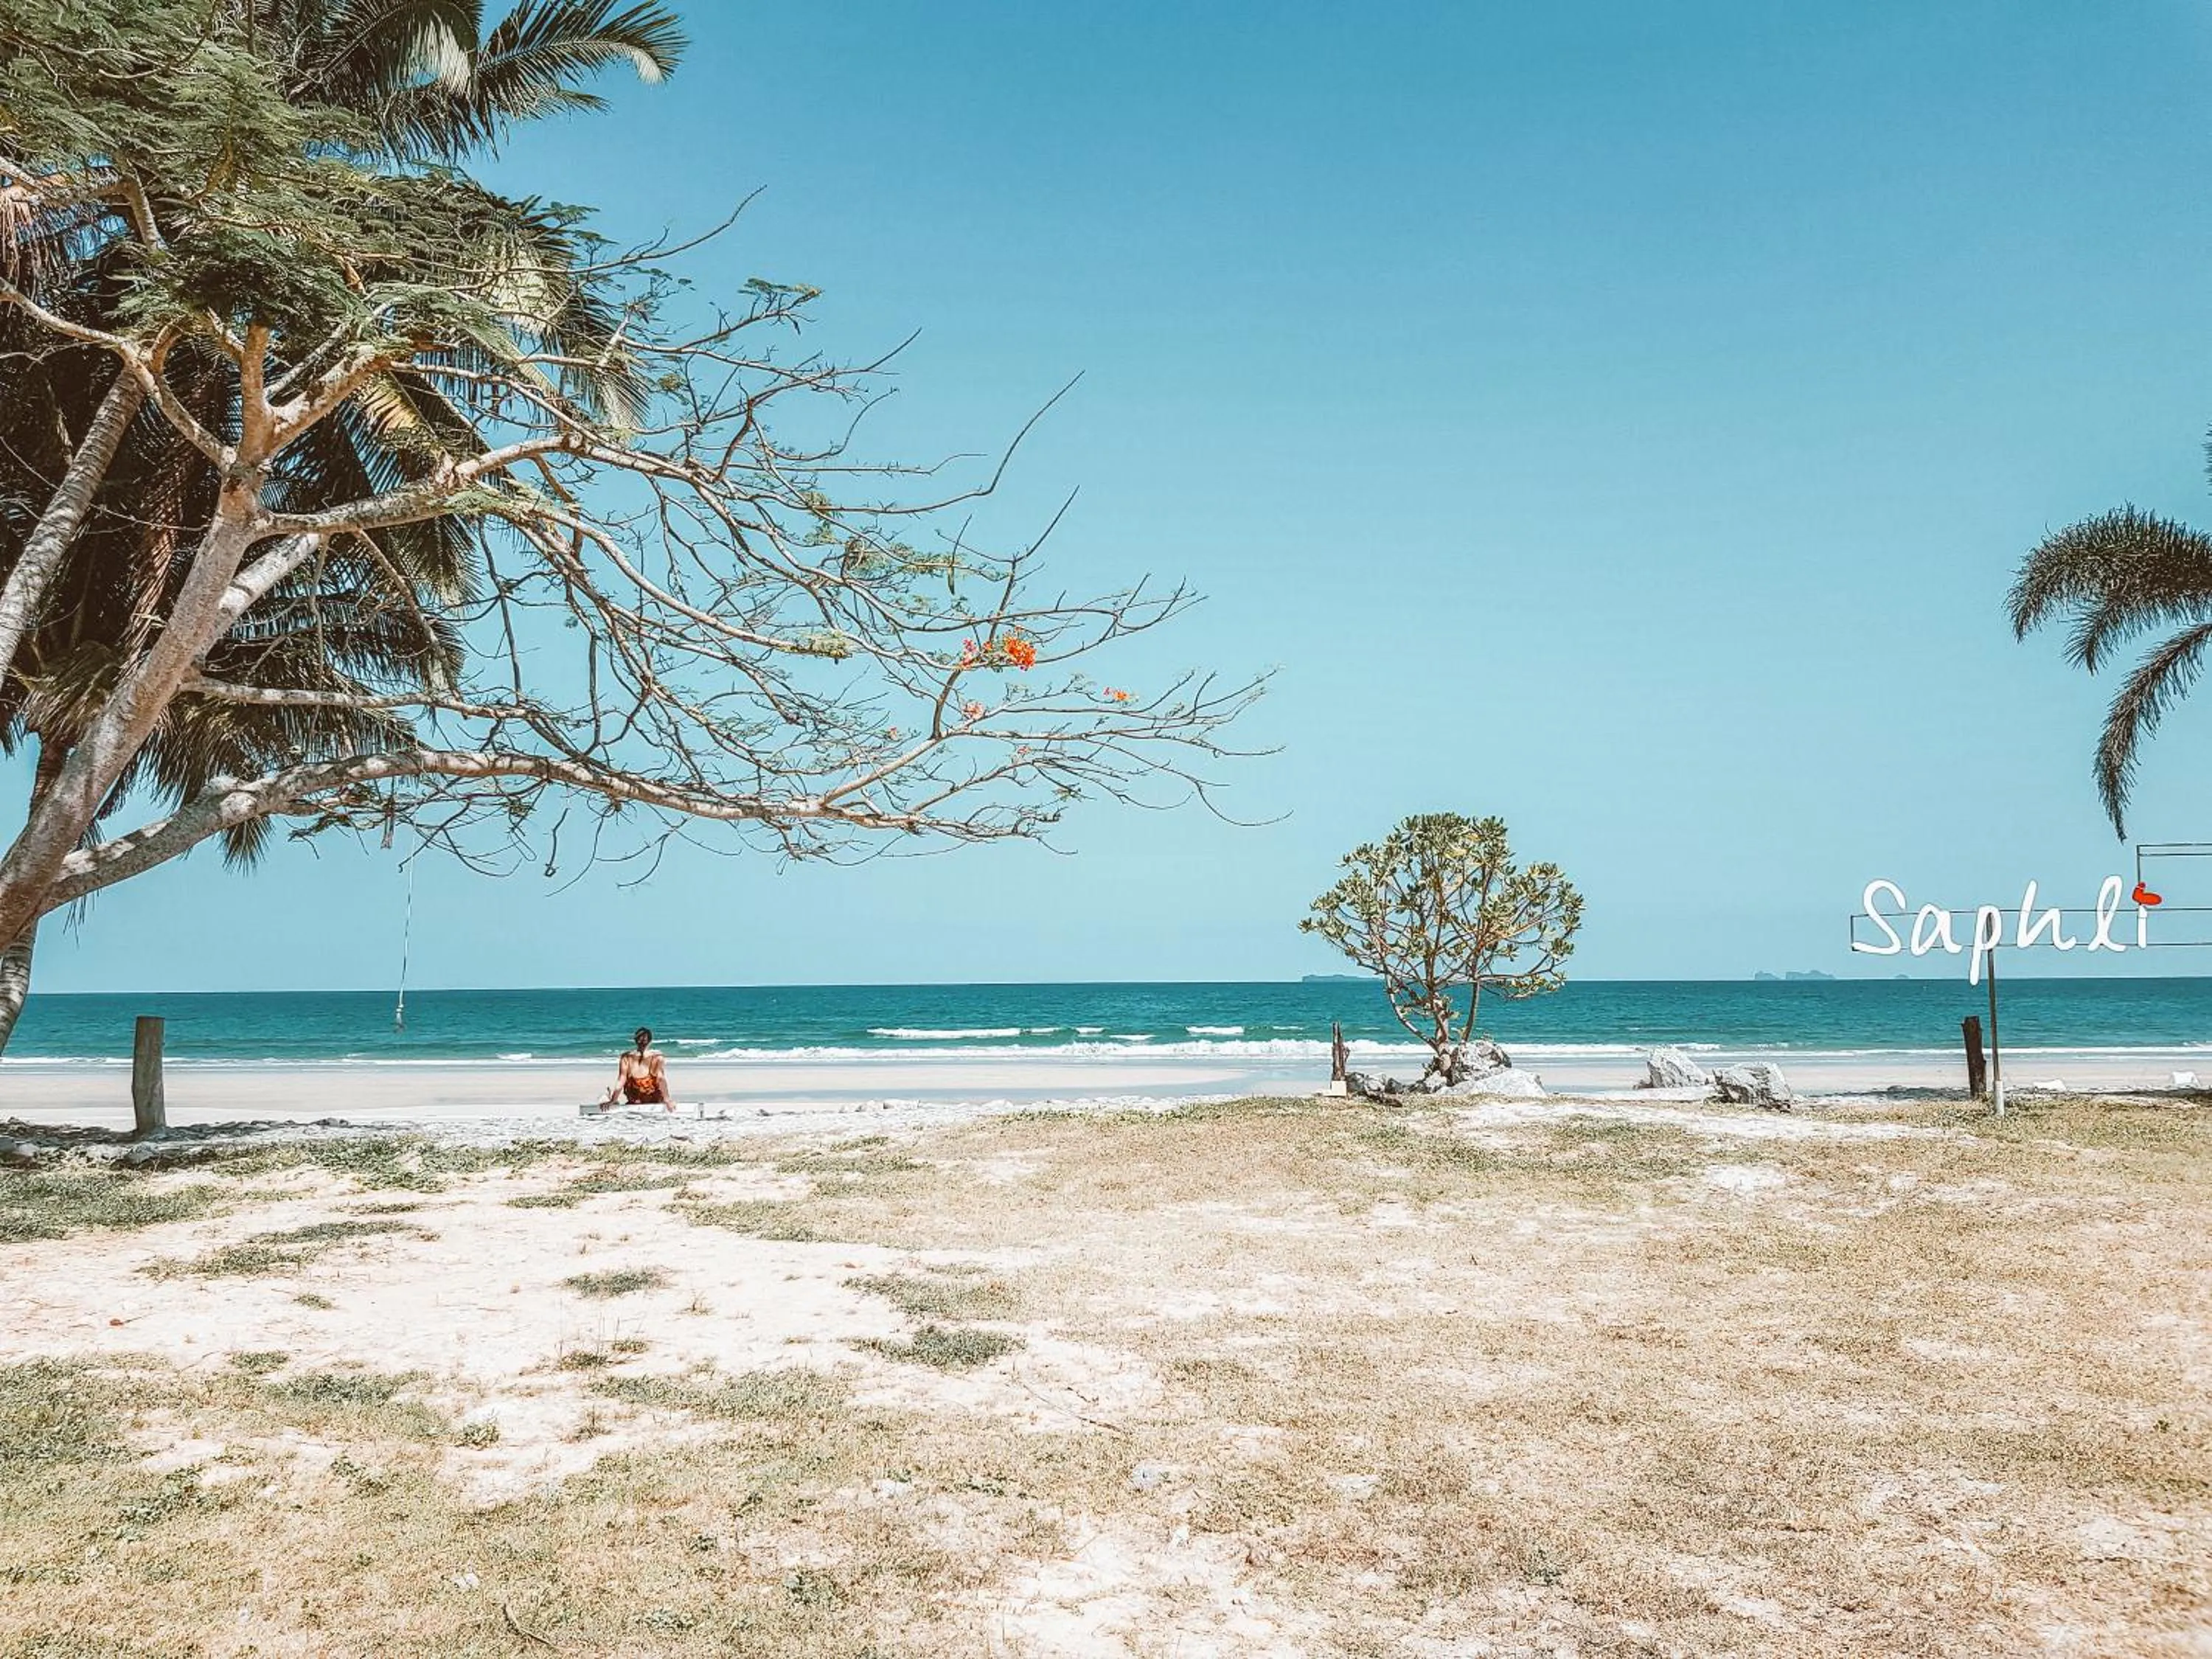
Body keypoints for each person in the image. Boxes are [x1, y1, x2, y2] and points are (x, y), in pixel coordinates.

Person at [604, 1027, 676, 1111]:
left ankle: (611, 1098)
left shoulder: (626, 1057)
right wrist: (668, 1100)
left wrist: (613, 1099)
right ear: (650, 1041)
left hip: (634, 1100)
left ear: (635, 1041)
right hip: (653, 1100)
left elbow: (621, 1080)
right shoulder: (657, 1058)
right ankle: (611, 1098)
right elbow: (660, 1079)